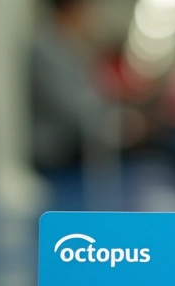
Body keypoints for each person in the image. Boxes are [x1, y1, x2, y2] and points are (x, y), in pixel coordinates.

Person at [28, 0, 111, 173]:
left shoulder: (72, 50)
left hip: (76, 145)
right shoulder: (45, 49)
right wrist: (115, 124)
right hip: (56, 154)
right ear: (74, 9)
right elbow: (73, 109)